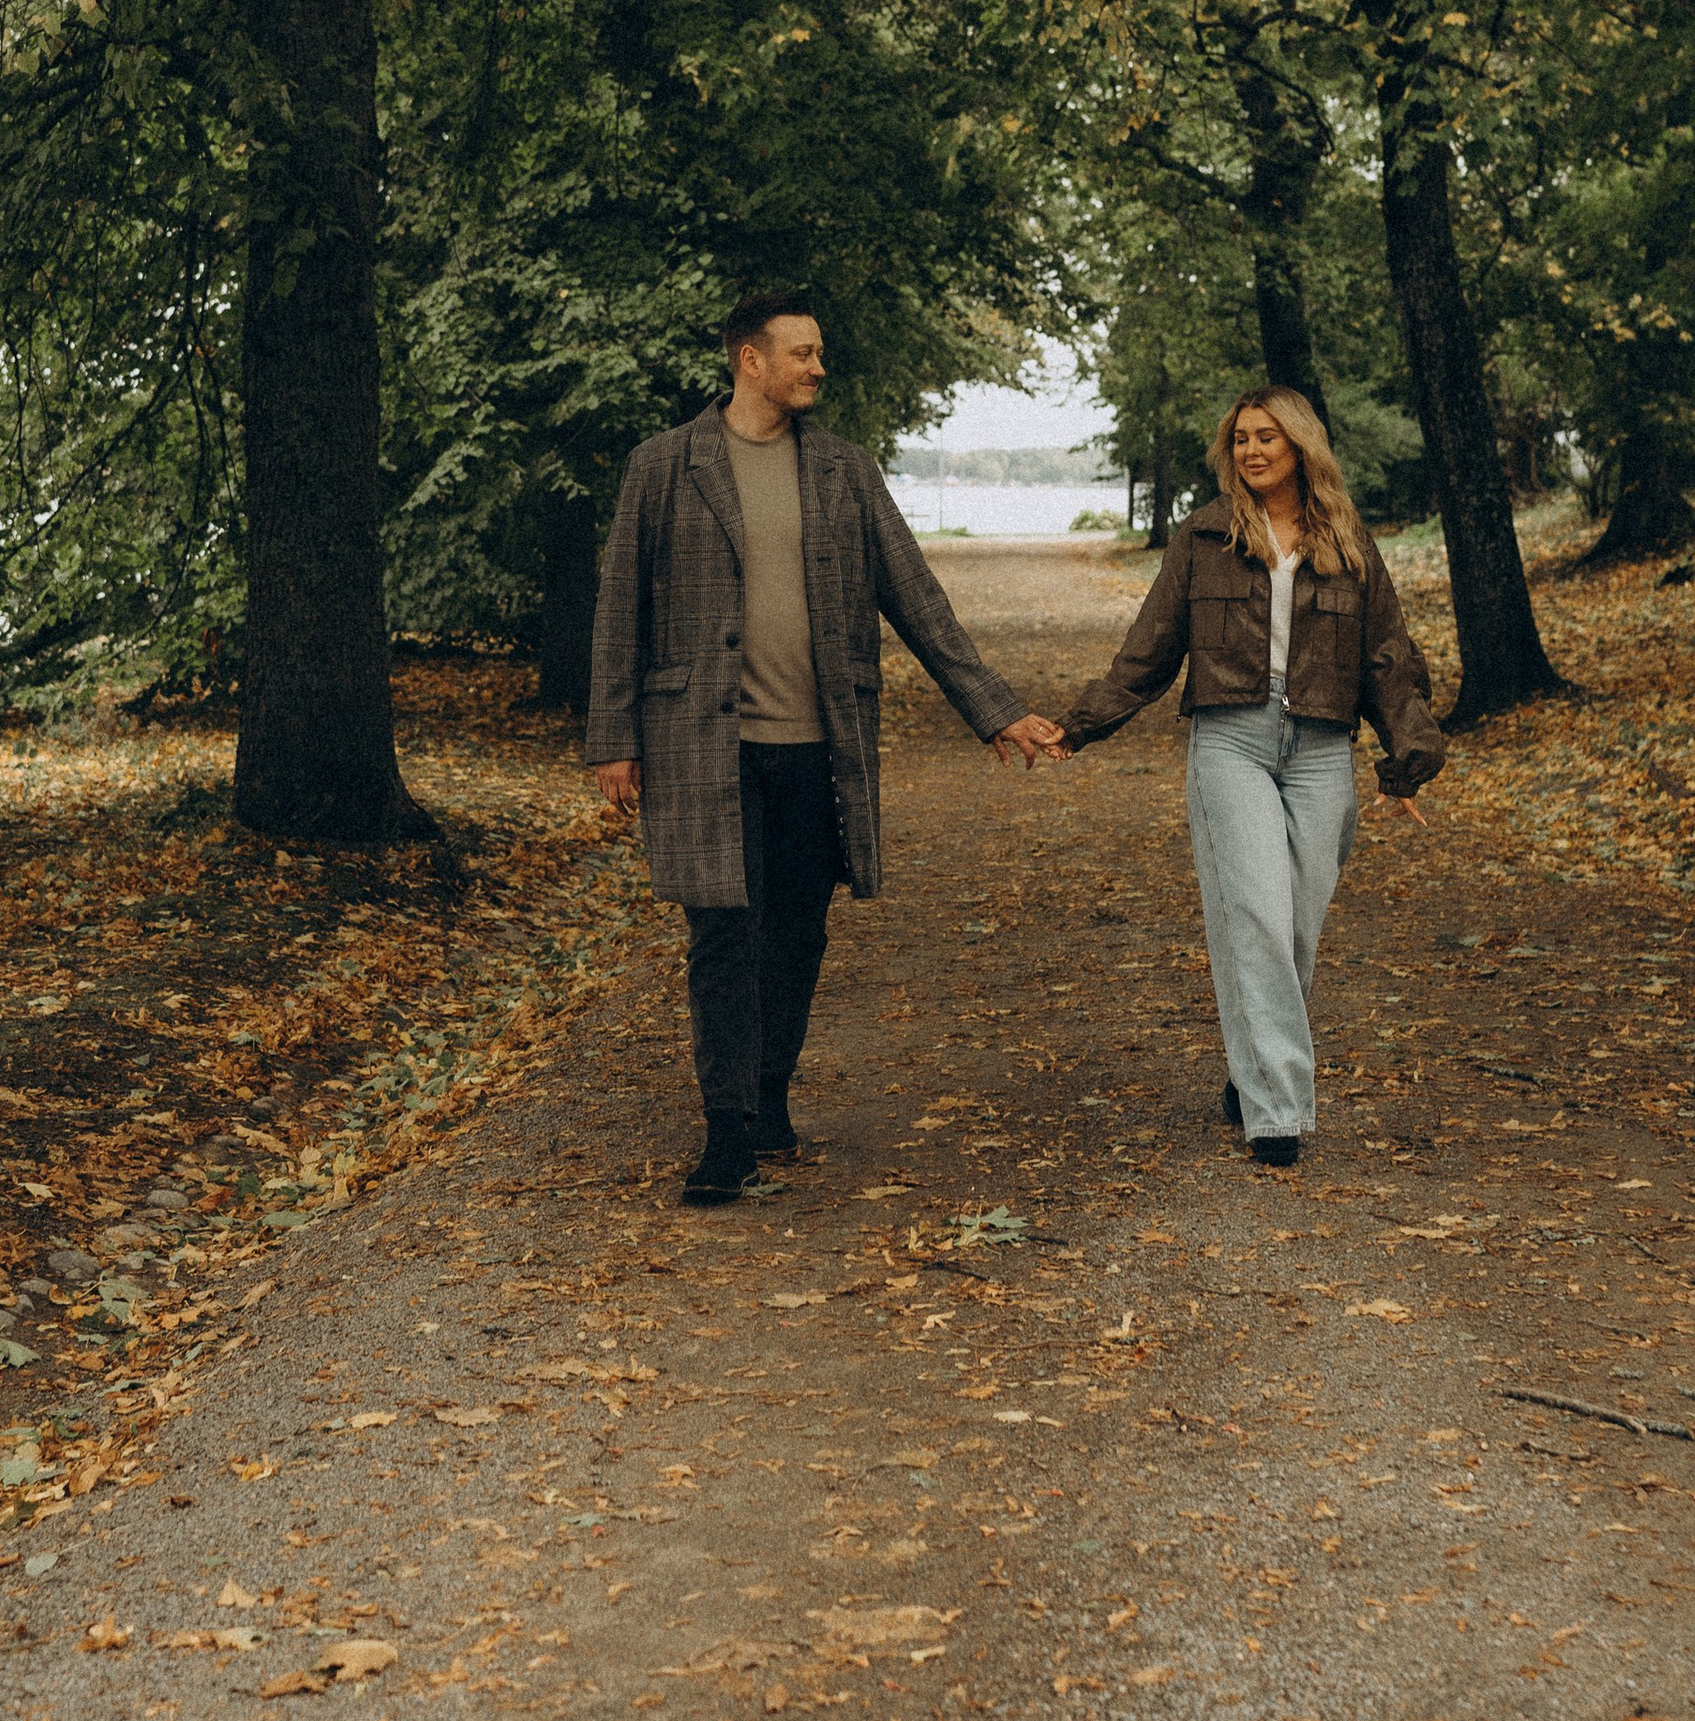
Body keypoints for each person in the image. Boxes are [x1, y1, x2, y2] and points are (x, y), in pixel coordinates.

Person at [586, 293, 1063, 1206]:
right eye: (802, 353)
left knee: (798, 929)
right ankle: (727, 1131)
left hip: (818, 746)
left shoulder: (845, 471)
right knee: (724, 931)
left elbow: (917, 598)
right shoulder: (664, 466)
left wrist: (995, 711)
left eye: (820, 353)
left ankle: (768, 1094)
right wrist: (613, 738)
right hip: (702, 745)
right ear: (748, 361)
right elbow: (621, 609)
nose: (818, 367)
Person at [1050, 387, 1443, 1170]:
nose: (1252, 451)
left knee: (1295, 928)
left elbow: (1387, 655)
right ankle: (1277, 1112)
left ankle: (1250, 1065)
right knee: (1257, 915)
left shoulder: (1348, 540)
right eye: (1240, 440)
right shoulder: (1202, 535)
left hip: (1323, 746)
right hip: (1232, 741)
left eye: (1268, 438)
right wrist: (1082, 724)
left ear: (1302, 448)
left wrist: (1407, 762)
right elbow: (1151, 647)